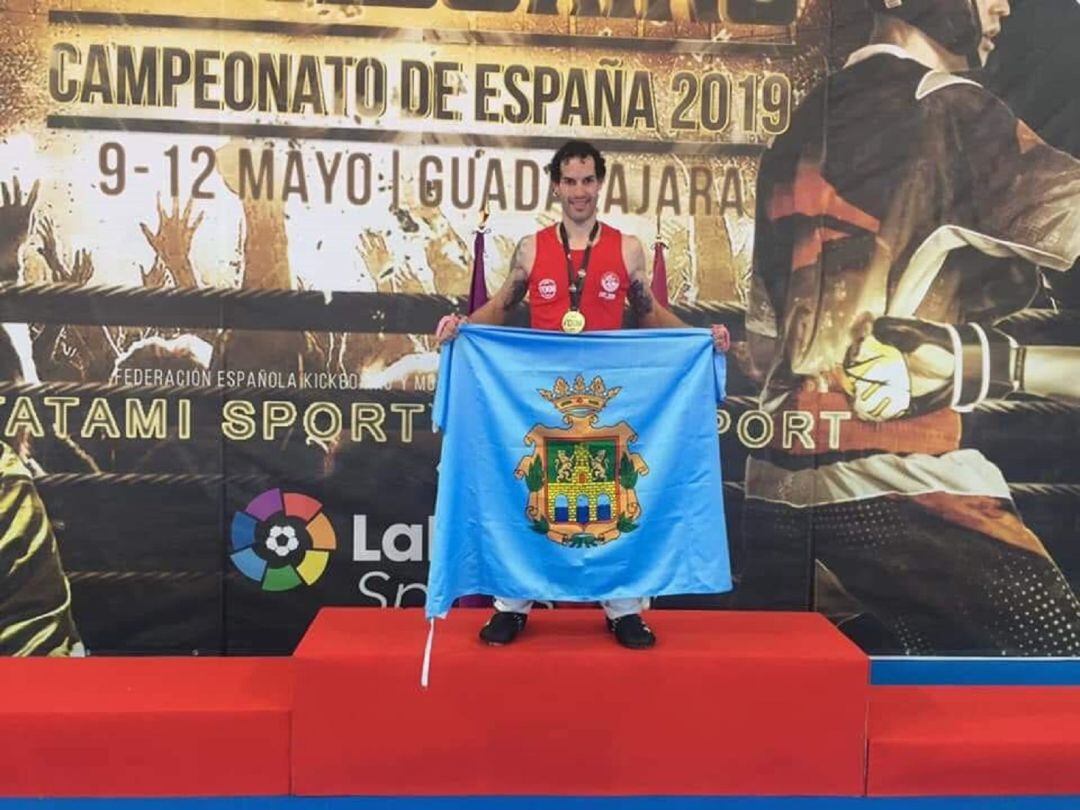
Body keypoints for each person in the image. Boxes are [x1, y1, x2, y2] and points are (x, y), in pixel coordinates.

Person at [740, 0, 1080, 654]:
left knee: (848, 717)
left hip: (776, 492)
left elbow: (761, 348)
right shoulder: (946, 107)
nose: (1001, 4)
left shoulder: (791, 139)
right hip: (901, 487)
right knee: (1057, 681)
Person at [436, 139, 729, 649]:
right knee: (527, 486)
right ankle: (511, 606)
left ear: (600, 184)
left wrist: (702, 339)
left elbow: (650, 313)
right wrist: (462, 326)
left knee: (611, 492)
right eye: (569, 181)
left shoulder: (627, 247)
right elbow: (504, 307)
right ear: (555, 185)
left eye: (588, 180)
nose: (579, 191)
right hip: (539, 392)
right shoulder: (532, 247)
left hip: (609, 391)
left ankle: (623, 610)